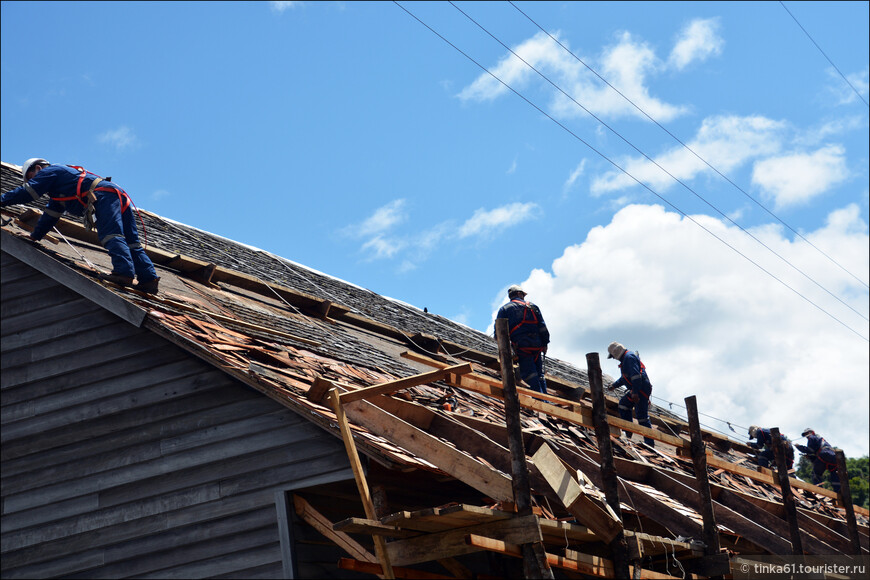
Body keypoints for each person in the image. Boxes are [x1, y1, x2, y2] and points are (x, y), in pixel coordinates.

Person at [1, 158, 160, 294]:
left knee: (110, 234)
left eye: (31, 178)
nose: (33, 182)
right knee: (131, 241)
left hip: (104, 195)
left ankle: (124, 272)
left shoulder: (49, 171)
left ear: (37, 168)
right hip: (114, 195)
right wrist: (34, 237)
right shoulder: (59, 192)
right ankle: (148, 280)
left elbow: (26, 193)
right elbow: (49, 218)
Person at [495, 285, 550, 394]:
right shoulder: (533, 307)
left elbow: (498, 334)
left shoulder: (505, 309)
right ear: (520, 294)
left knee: (530, 374)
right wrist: (545, 343)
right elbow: (543, 327)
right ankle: (544, 398)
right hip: (537, 345)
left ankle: (539, 400)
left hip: (521, 346)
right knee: (540, 374)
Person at [606, 341, 655, 446]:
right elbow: (625, 378)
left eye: (613, 356)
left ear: (616, 352)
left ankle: (649, 443)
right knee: (623, 405)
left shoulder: (629, 357)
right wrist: (614, 385)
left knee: (641, 416)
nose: (614, 358)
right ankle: (628, 432)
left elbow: (636, 376)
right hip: (636, 389)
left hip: (640, 389)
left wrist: (635, 392)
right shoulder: (626, 359)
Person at [795, 428, 841, 493]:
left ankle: (820, 491)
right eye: (805, 435)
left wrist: (799, 447)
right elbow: (816, 454)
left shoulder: (812, 437)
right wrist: (810, 457)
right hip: (833, 457)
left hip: (824, 455)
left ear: (812, 432)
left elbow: (810, 450)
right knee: (835, 474)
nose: (806, 436)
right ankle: (838, 492)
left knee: (816, 474)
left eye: (807, 433)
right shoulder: (820, 440)